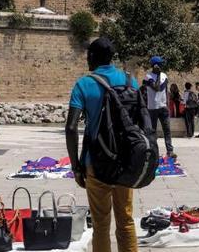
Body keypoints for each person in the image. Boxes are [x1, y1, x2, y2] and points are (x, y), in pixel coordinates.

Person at [65, 37, 139, 252]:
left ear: (93, 57)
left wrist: (75, 166)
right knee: (126, 221)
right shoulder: (129, 81)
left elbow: (71, 128)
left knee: (100, 225)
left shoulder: (84, 84)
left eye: (89, 55)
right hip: (124, 162)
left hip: (96, 163)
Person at [144, 56, 176, 159]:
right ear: (155, 65)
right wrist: (157, 76)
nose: (162, 66)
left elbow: (164, 90)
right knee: (152, 131)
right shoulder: (148, 77)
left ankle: (170, 151)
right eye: (160, 64)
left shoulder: (164, 76)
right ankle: (153, 152)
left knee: (167, 130)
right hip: (152, 108)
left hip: (163, 107)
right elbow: (157, 88)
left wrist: (167, 105)